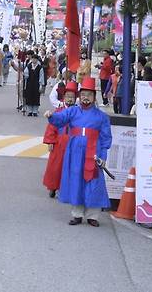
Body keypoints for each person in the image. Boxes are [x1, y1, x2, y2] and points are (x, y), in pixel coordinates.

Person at [44, 77, 112, 227]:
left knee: (93, 182)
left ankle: (92, 215)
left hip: (93, 152)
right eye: (83, 95)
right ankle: (77, 214)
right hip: (74, 152)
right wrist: (51, 116)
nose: (85, 97)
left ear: (94, 97)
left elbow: (106, 138)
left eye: (89, 94)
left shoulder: (102, 117)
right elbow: (59, 119)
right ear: (79, 96)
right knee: (76, 181)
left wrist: (103, 157)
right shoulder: (73, 111)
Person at [42, 81, 78, 198]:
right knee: (56, 166)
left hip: (73, 142)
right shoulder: (59, 111)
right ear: (63, 97)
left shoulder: (78, 112)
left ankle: (67, 188)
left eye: (72, 97)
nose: (70, 99)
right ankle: (52, 187)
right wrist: (50, 141)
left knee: (70, 166)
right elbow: (52, 127)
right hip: (59, 142)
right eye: (68, 97)